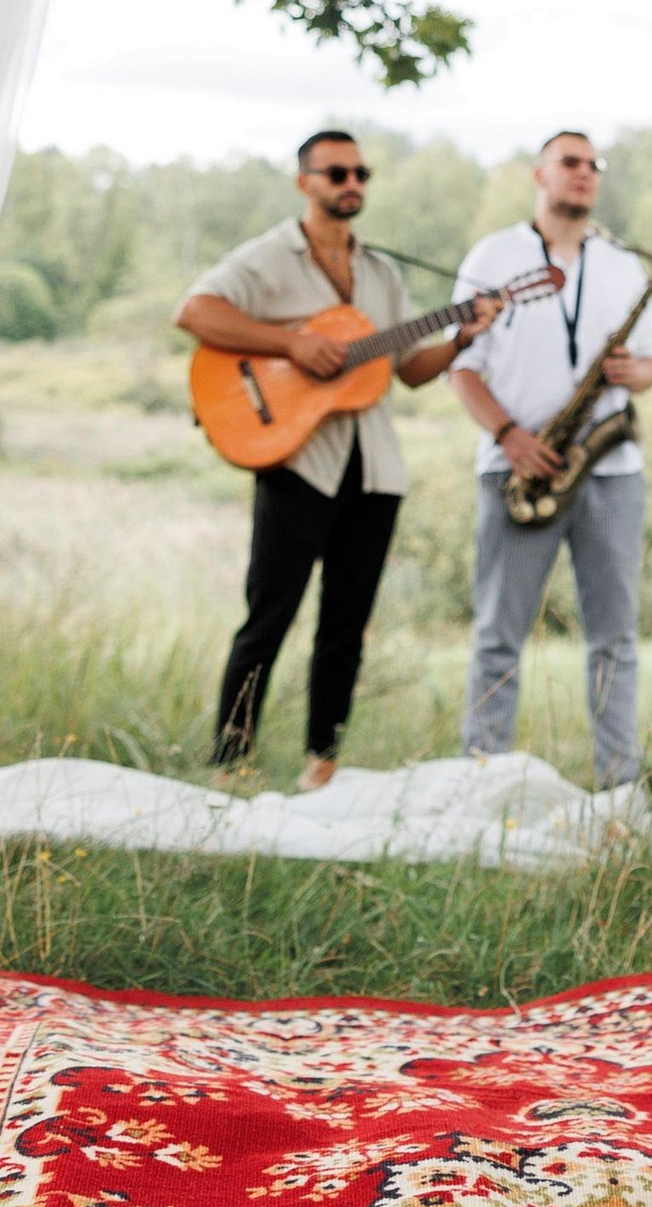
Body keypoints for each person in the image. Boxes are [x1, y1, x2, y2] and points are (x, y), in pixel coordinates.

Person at [181, 129, 492, 786]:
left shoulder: (381, 272)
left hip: (374, 470)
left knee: (346, 627)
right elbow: (197, 312)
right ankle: (229, 761)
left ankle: (322, 762)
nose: (352, 184)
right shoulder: (268, 258)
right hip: (296, 463)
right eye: (337, 173)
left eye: (361, 173)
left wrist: (463, 337)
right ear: (306, 183)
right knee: (268, 618)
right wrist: (290, 347)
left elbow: (407, 370)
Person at [451, 131, 652, 815]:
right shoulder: (493, 255)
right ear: (539, 173)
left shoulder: (621, 263)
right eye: (571, 162)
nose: (584, 173)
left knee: (616, 637)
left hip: (610, 469)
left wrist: (639, 373)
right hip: (520, 467)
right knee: (498, 634)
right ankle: (480, 779)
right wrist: (510, 437)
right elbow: (461, 367)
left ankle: (619, 785)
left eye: (593, 165)